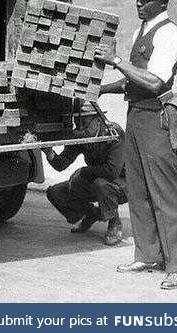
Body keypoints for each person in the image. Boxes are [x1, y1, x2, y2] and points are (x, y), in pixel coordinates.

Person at [95, 0, 177, 290]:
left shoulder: (169, 33)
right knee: (138, 190)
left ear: (163, 0)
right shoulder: (142, 31)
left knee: (165, 193)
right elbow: (132, 79)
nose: (139, 3)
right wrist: (102, 89)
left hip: (157, 119)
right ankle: (148, 254)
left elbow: (154, 80)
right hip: (136, 116)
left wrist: (117, 60)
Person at [43, 103, 127, 246]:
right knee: (56, 192)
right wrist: (49, 152)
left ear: (98, 120)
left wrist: (83, 171)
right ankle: (91, 214)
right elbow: (61, 164)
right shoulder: (83, 136)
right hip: (97, 181)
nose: (80, 127)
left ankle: (114, 222)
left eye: (84, 122)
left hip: (123, 183)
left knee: (100, 184)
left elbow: (112, 171)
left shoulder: (113, 132)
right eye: (77, 123)